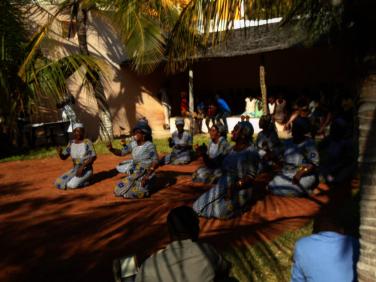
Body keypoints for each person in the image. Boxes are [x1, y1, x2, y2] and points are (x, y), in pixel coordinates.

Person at [135, 206, 229, 282]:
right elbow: (225, 270)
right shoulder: (207, 251)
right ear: (195, 229)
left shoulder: (149, 264)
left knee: (127, 266)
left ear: (170, 231)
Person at [193, 121, 260, 219]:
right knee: (197, 207)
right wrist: (204, 155)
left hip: (239, 190)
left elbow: (250, 177)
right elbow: (213, 164)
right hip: (223, 185)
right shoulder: (231, 150)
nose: (232, 131)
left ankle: (243, 206)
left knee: (220, 213)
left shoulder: (251, 152)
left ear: (243, 134)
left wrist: (234, 187)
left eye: (236, 129)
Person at [291, 207, 359, 282]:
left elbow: (297, 279)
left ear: (314, 231)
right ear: (341, 230)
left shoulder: (302, 245)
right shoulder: (355, 243)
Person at [268, 117, 319, 197]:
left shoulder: (309, 144)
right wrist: (270, 155)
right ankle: (302, 191)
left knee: (295, 189)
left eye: (297, 128)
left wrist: (300, 173)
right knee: (271, 186)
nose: (294, 130)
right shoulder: (288, 142)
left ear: (302, 130)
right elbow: (277, 153)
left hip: (304, 175)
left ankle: (305, 190)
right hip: (288, 173)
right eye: (294, 127)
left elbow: (313, 164)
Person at [108, 120, 159, 199]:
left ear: (144, 134)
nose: (135, 134)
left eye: (137, 132)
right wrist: (111, 149)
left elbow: (155, 161)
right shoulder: (133, 144)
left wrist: (147, 176)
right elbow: (121, 152)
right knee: (117, 190)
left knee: (130, 194)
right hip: (135, 173)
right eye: (134, 132)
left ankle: (146, 188)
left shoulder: (149, 146)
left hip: (146, 174)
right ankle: (135, 184)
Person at [54, 123, 96, 189]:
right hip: (75, 170)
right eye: (76, 131)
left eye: (80, 131)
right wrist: (60, 153)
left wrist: (82, 167)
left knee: (71, 185)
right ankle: (81, 180)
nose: (78, 133)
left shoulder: (87, 142)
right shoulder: (71, 143)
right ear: (73, 132)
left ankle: (88, 179)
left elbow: (93, 157)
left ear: (83, 132)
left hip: (86, 169)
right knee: (57, 182)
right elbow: (64, 157)